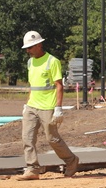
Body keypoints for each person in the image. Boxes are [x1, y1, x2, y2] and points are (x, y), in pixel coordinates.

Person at [17, 30, 79, 180]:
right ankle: (32, 169)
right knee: (27, 138)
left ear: (39, 45)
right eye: (27, 48)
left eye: (30, 47)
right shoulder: (30, 62)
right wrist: (27, 104)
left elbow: (59, 85)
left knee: (52, 138)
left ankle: (72, 161)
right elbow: (33, 85)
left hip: (48, 107)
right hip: (32, 106)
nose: (28, 51)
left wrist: (58, 108)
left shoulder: (52, 61)